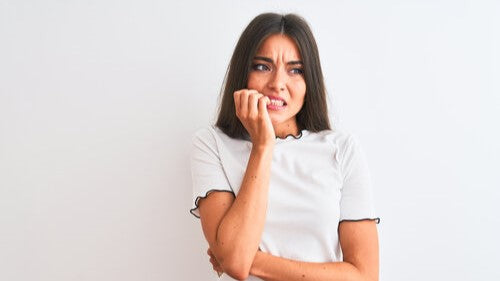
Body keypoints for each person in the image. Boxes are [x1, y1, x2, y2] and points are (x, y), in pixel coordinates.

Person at [189, 12, 380, 281]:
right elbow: (234, 262)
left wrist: (247, 259)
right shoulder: (211, 144)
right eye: (262, 66)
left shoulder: (342, 149)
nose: (278, 84)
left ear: (309, 81)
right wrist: (263, 146)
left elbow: (365, 276)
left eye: (295, 70)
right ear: (243, 73)